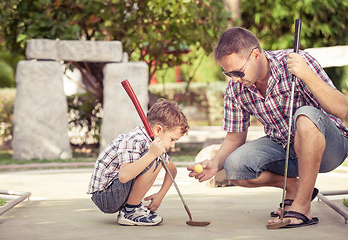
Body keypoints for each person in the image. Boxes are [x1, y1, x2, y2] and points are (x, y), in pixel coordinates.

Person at [188, 27, 348, 228]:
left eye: (238, 72)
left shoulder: (297, 62)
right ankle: (295, 187)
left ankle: (302, 205)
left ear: (256, 55)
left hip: (329, 148)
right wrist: (215, 163)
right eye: (228, 73)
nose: (235, 79)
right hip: (285, 148)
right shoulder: (236, 89)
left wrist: (306, 75)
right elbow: (234, 138)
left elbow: (341, 109)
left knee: (305, 116)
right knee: (234, 166)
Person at [88, 98, 189, 226]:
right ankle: (130, 211)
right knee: (154, 159)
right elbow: (124, 176)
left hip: (117, 191)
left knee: (156, 158)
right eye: (172, 139)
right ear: (158, 130)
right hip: (105, 196)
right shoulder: (134, 140)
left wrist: (160, 194)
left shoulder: (155, 144)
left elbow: (172, 170)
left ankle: (132, 207)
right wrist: (151, 154)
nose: (172, 145)